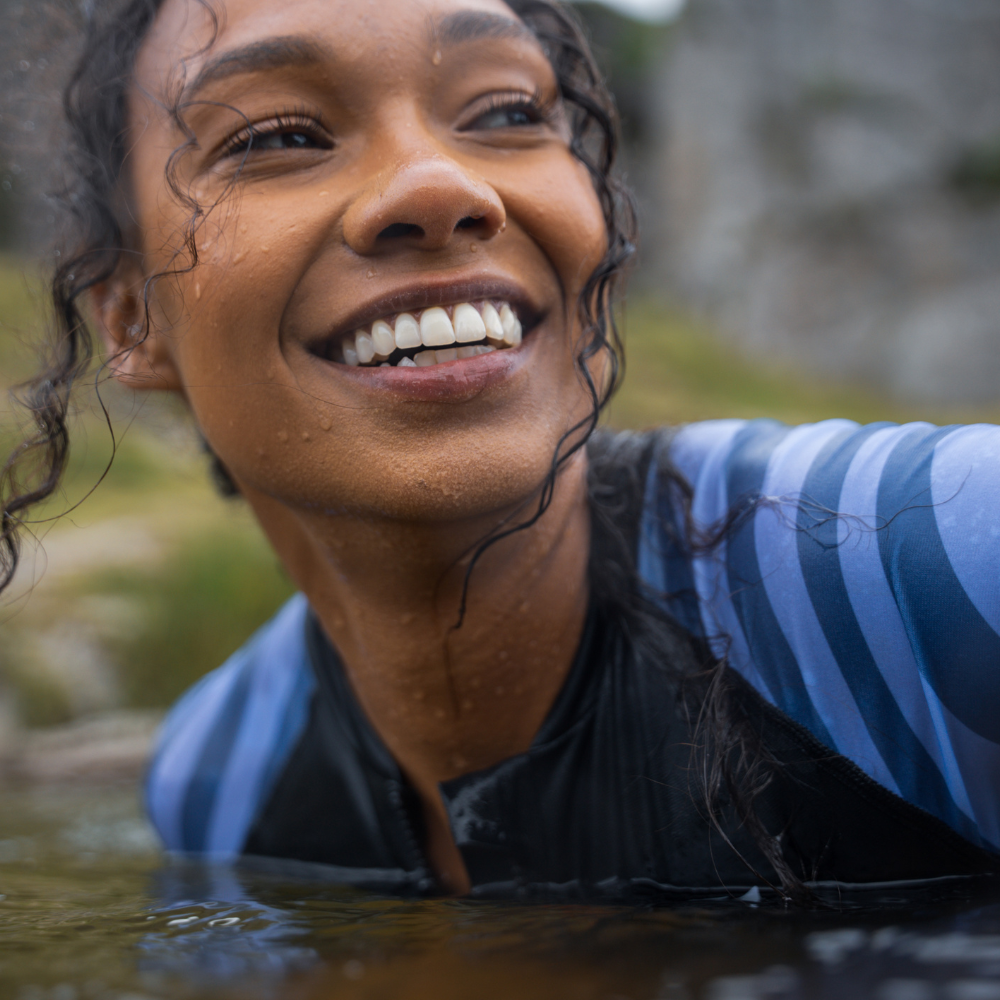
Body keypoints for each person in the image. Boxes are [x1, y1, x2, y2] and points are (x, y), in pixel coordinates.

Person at [2, 0, 998, 902]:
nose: (439, 184)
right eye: (279, 135)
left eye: (507, 113)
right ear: (132, 319)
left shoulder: (929, 569)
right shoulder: (218, 782)